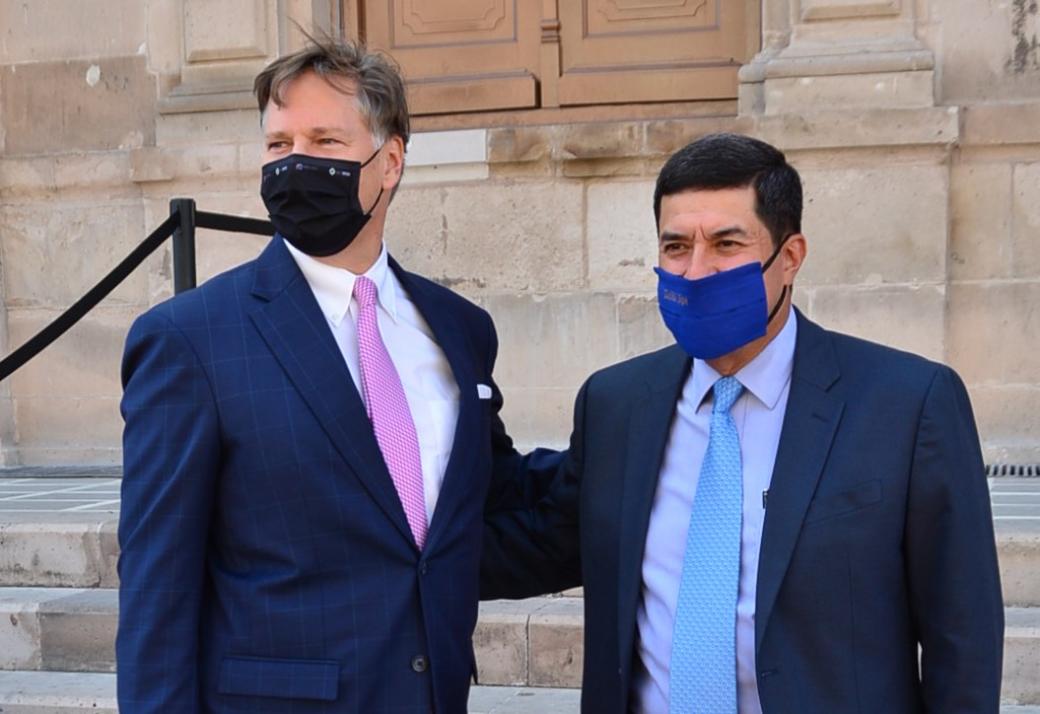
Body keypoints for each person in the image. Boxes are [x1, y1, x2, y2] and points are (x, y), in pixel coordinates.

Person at [482, 133, 1005, 713]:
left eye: (726, 244)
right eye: (676, 246)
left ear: (791, 256)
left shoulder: (907, 404)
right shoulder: (616, 404)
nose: (696, 271)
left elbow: (963, 634)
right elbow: (540, 543)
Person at [117, 37, 541, 713]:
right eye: (279, 143)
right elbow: (157, 587)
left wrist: (627, 457)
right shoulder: (191, 339)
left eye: (324, 141)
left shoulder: (460, 328)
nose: (296, 162)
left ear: (390, 161)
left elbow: (487, 501)